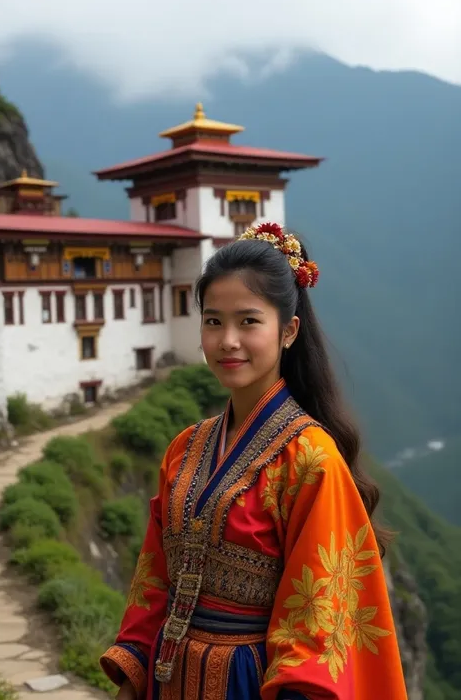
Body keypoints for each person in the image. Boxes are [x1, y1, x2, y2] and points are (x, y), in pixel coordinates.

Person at [100, 222, 408, 700]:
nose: (228, 341)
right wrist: (131, 676)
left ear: (288, 331)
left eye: (248, 321)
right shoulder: (185, 448)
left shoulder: (310, 460)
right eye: (213, 321)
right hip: (167, 678)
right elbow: (153, 580)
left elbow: (316, 623)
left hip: (250, 682)